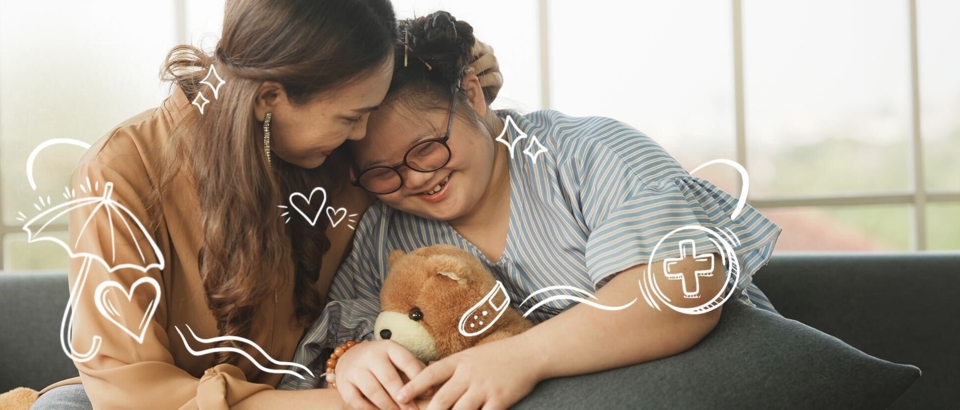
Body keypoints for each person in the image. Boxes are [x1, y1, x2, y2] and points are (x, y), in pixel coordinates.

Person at [17, 1, 504, 409]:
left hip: (332, 379)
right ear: (270, 97)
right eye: (351, 118)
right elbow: (131, 394)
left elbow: (437, 160)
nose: (361, 136)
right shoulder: (120, 173)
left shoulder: (337, 155)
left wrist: (462, 94)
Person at [287, 11, 782, 410]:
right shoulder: (384, 230)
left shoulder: (586, 155)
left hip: (730, 377)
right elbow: (342, 334)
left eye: (426, 150)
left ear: (473, 95)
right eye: (383, 172)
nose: (414, 178)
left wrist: (521, 358)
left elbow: (679, 290)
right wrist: (353, 360)